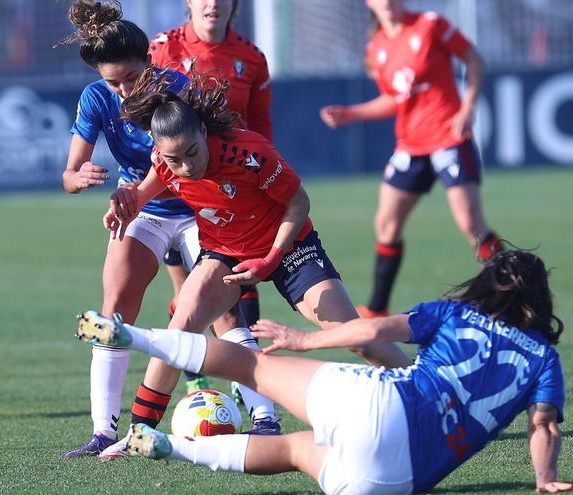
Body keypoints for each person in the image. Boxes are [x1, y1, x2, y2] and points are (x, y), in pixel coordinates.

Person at [99, 66, 415, 456]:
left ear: (203, 130)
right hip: (225, 253)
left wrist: (270, 258)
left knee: (350, 333)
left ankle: (430, 389)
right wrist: (126, 204)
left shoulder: (247, 152)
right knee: (178, 332)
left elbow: (298, 202)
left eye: (192, 153)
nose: (185, 166)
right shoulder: (166, 160)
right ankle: (139, 434)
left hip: (289, 248)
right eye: (174, 159)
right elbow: (149, 187)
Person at [74, 250, 573, 494]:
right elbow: (543, 426)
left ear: (488, 288)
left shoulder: (456, 314)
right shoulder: (543, 360)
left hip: (381, 403)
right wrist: (545, 478)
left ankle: (130, 335)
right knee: (294, 450)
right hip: (392, 480)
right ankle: (171, 447)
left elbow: (372, 332)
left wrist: (304, 338)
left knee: (250, 364)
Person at [58, 0, 278, 460]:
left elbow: (177, 166)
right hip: (144, 211)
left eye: (130, 78)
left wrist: (135, 193)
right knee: (115, 306)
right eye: (111, 81)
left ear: (149, 64)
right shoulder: (97, 98)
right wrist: (79, 179)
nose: (122, 90)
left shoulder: (176, 88)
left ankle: (265, 417)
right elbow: (70, 173)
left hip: (201, 207)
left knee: (224, 315)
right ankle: (103, 430)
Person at [320, 0, 504, 319]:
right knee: (386, 224)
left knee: (470, 223)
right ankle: (376, 309)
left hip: (449, 137)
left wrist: (467, 108)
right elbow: (394, 97)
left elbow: (474, 60)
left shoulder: (430, 25)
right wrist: (352, 114)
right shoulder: (377, 47)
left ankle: (515, 292)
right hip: (411, 145)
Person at [149, 0, 274, 393]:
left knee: (239, 286)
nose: (213, 3)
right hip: (177, 194)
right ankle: (197, 386)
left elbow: (261, 131)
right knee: (187, 296)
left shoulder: (251, 58)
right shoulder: (162, 48)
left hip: (232, 195)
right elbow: (141, 119)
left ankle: (251, 390)